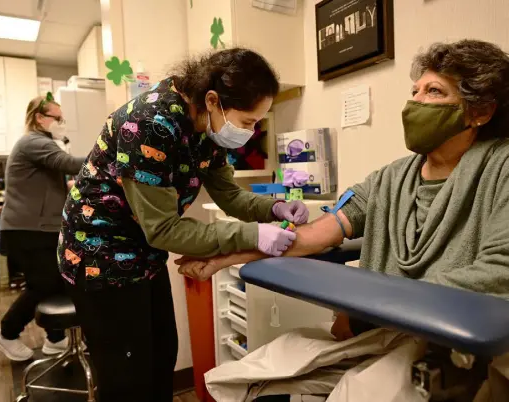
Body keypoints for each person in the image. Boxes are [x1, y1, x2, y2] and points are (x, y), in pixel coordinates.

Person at [177, 39, 509, 342]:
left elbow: (497, 275)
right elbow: (315, 234)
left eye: (434, 91)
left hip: (451, 344)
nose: (415, 102)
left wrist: (368, 317)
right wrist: (224, 258)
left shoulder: (501, 171)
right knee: (249, 375)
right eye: (415, 91)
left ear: (480, 111)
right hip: (380, 330)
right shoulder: (390, 179)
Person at [57, 48, 309, 401]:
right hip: (100, 258)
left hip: (143, 255)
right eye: (249, 122)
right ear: (212, 99)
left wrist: (275, 209)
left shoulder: (208, 127)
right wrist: (254, 235)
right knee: (127, 380)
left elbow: (230, 196)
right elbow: (164, 230)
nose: (250, 134)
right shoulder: (148, 123)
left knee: (161, 359)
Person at [0, 94, 85, 361]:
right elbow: (68, 164)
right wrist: (108, 152)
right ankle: (7, 334)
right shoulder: (34, 141)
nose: (61, 123)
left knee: (56, 280)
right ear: (40, 118)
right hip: (28, 229)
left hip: (39, 227)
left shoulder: (40, 144)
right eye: (58, 118)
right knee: (42, 284)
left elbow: (50, 180)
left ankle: (55, 339)